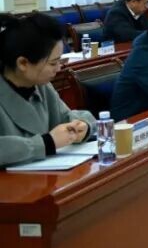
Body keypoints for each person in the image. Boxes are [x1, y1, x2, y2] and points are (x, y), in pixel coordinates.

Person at [0, 14, 96, 166]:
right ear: (23, 63)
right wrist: (46, 143)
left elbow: (67, 117)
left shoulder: (41, 85)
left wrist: (82, 126)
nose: (58, 68)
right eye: (53, 63)